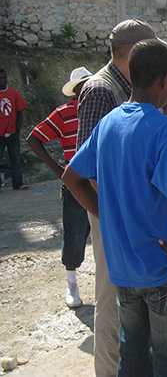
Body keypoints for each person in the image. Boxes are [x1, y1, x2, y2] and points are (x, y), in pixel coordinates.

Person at [64, 39, 167, 377]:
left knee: (134, 363)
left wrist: (105, 215)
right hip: (164, 272)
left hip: (124, 272)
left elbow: (72, 177)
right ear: (164, 80)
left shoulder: (109, 123)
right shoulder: (165, 128)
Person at [76, 18, 157, 377]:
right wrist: (109, 216)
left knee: (132, 295)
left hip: (128, 212)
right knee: (111, 297)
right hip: (112, 213)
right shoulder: (100, 89)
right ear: (132, 53)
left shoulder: (126, 86)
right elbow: (84, 168)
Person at [27, 66, 93, 308]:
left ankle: (112, 285)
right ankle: (72, 283)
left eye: (90, 83)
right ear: (75, 91)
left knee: (107, 232)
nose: (88, 89)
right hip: (76, 182)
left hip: (102, 180)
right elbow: (34, 139)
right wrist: (59, 172)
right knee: (75, 231)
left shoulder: (104, 111)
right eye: (83, 86)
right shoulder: (64, 113)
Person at [0, 68, 28, 190]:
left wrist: (17, 129)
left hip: (12, 132)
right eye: (1, 78)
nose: (3, 80)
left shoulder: (14, 93)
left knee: (15, 158)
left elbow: (20, 111)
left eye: (4, 78)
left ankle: (18, 183)